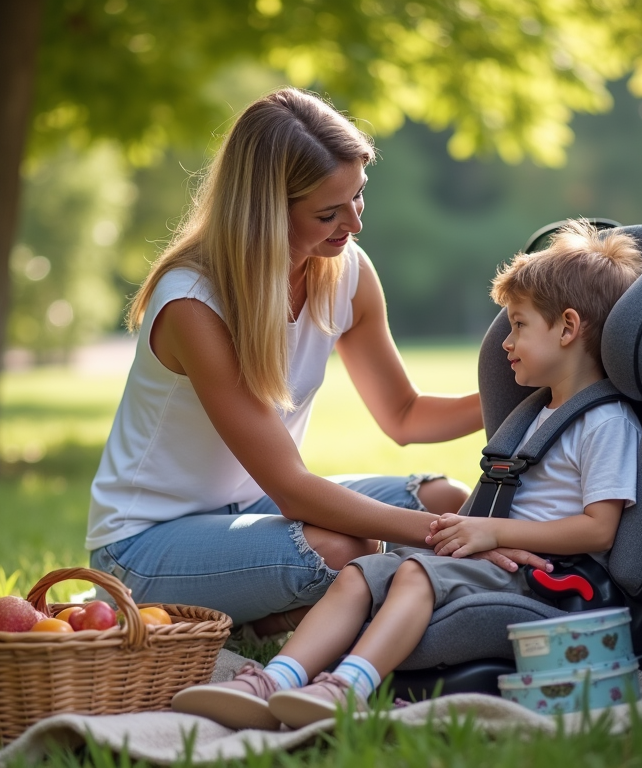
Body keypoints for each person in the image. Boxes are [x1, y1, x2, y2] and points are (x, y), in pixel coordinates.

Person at [86, 87, 547, 641]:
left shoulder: (344, 271)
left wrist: (528, 392)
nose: (353, 223)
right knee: (341, 549)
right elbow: (293, 491)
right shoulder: (194, 303)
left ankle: (313, 612)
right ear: (264, 212)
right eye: (328, 212)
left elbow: (404, 415)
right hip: (145, 544)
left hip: (249, 507)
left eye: (359, 196)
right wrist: (461, 536)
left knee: (445, 497)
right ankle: (259, 626)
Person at [172, 220, 642, 730]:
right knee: (364, 572)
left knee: (417, 571)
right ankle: (272, 680)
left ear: (568, 328)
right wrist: (470, 532)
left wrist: (493, 532)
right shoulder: (537, 412)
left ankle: (347, 686)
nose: (506, 342)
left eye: (519, 325)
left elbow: (600, 529)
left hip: (546, 576)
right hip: (497, 557)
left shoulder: (604, 424)